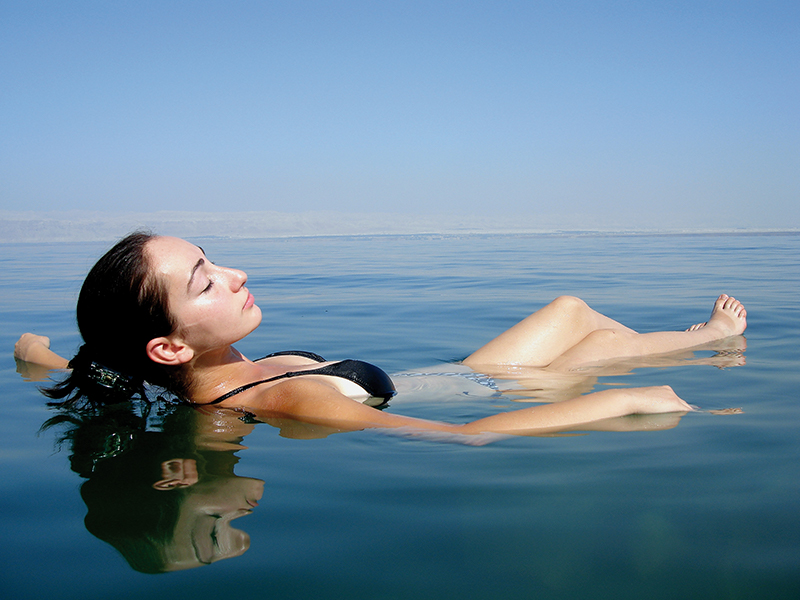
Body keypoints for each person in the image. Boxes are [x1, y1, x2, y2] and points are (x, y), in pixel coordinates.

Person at [14, 232, 748, 437]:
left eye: (213, 259)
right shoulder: (282, 398)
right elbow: (470, 438)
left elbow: (72, 357)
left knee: (574, 309)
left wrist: (33, 350)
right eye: (206, 281)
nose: (235, 274)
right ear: (170, 347)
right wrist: (633, 403)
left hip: (453, 368)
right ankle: (704, 340)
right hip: (494, 391)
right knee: (592, 345)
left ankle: (690, 337)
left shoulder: (185, 368)